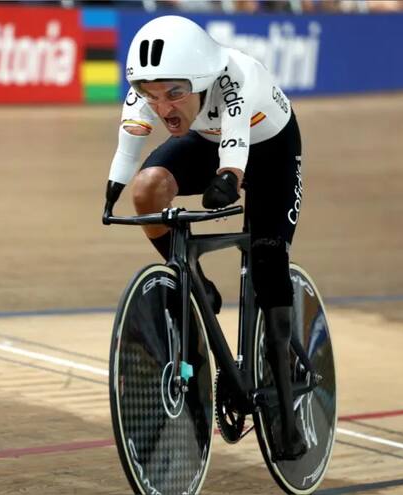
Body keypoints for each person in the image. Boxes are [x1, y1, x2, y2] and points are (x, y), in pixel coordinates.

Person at [102, 15, 308, 460]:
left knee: (268, 265)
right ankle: (197, 285)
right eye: (152, 96)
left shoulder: (234, 78)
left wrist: (229, 179)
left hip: (269, 148)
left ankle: (288, 420)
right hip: (207, 139)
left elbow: (236, 144)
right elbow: (129, 145)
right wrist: (115, 190)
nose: (162, 107)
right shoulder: (151, 91)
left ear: (202, 79)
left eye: (175, 94)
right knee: (148, 190)